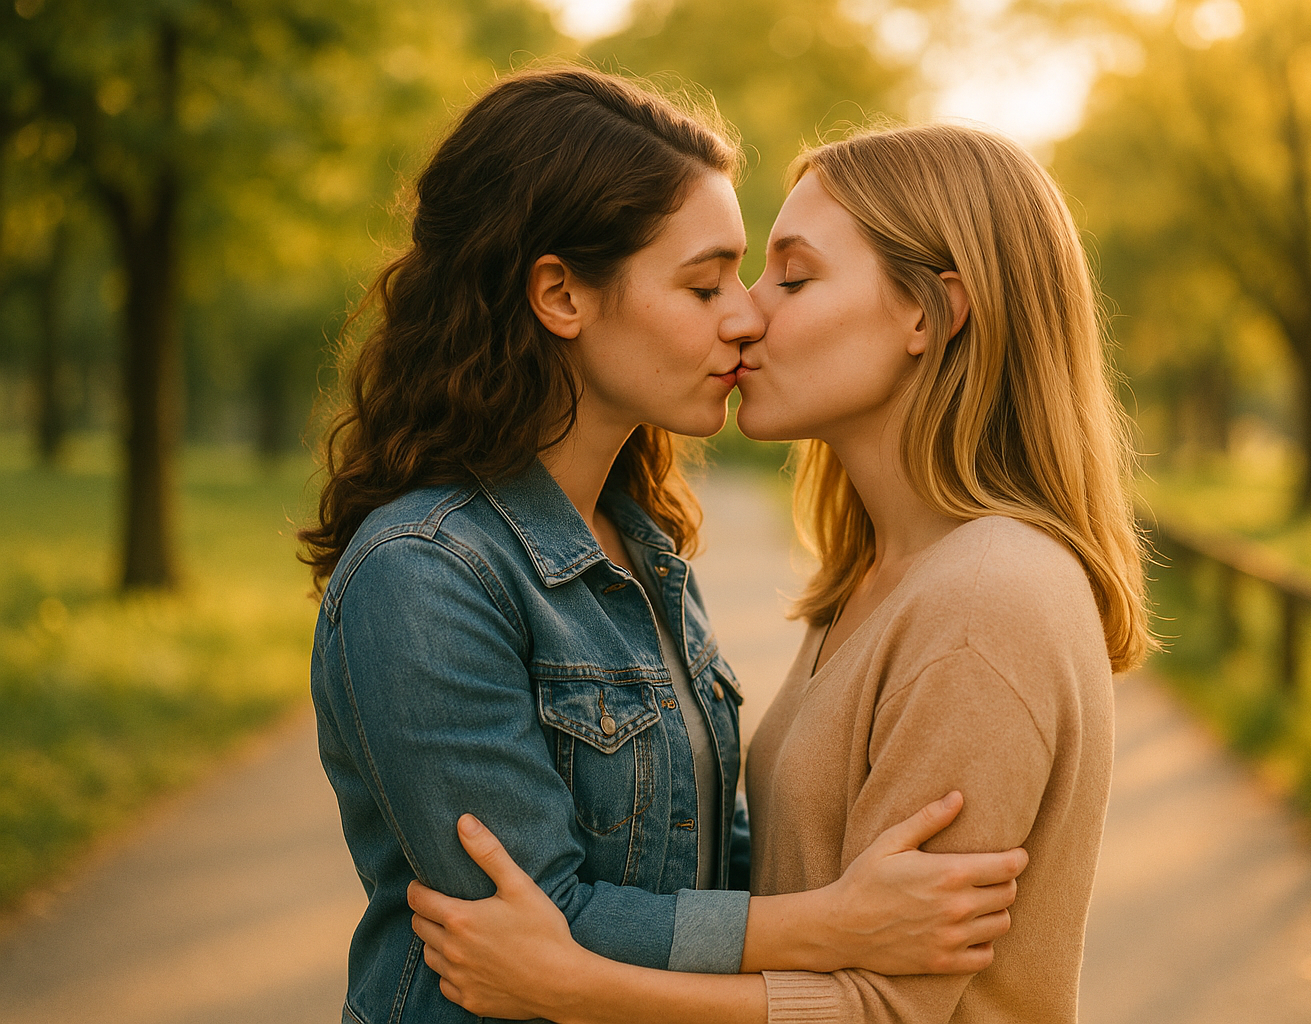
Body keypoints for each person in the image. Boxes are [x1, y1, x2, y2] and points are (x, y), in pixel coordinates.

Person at [302, 69, 1031, 1024]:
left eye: (750, 274)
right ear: (562, 295)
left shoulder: (643, 552)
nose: (746, 315)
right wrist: (835, 926)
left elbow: (699, 860)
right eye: (705, 283)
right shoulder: (426, 572)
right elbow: (528, 926)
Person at [406, 121, 1152, 1023]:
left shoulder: (986, 597)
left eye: (792, 278)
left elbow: (890, 1007)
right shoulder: (877, 576)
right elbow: (804, 892)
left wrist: (577, 986)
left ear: (933, 313)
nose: (748, 313)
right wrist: (821, 923)